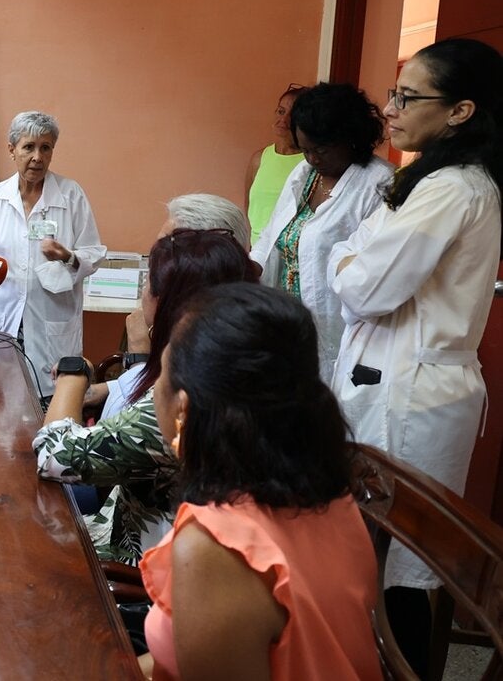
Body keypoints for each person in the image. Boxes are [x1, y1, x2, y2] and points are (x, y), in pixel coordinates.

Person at [329, 37, 503, 674]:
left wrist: (352, 256)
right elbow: (362, 271)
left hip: (409, 394)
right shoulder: (430, 178)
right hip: (399, 379)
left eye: (409, 96)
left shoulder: (453, 188)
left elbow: (364, 285)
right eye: (394, 93)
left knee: (399, 568)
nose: (392, 108)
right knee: (385, 559)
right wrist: (357, 256)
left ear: (460, 111)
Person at [140, 283, 380, 680]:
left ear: (184, 408)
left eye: (161, 374)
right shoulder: (329, 497)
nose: (153, 389)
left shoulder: (216, 550)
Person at [35, 229, 256, 562]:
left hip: (130, 562)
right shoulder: (241, 367)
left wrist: (73, 373)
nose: (143, 292)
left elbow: (53, 456)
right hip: (131, 517)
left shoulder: (185, 399)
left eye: (148, 283)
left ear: (169, 302)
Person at [252, 82, 394, 380]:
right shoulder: (303, 174)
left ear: (351, 139)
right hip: (290, 327)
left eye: (321, 149)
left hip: (339, 329)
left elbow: (373, 272)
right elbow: (272, 234)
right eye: (305, 150)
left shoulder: (379, 184)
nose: (313, 159)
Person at [0, 110, 106, 398]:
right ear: (12, 150)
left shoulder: (71, 195)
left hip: (51, 322)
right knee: (3, 403)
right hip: (5, 318)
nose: (37, 157)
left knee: (50, 402)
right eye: (28, 147)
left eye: (45, 148)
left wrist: (67, 256)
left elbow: (93, 253)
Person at [83, 194, 251, 418]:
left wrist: (137, 361)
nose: (157, 252)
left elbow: (141, 423)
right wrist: (112, 387)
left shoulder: (210, 347)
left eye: (166, 246)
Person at [244, 84, 307, 243]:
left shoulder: (311, 162)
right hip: (257, 252)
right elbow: (249, 208)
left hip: (290, 255)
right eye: (281, 111)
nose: (284, 119)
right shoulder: (259, 158)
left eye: (293, 115)